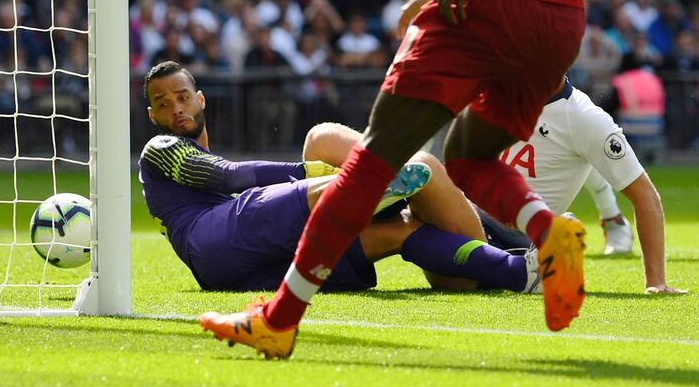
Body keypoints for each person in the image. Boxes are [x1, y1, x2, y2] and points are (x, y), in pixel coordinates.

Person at [200, 0, 615, 358]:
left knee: (371, 163)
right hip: (559, 18)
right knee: (470, 159)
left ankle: (278, 320)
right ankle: (547, 232)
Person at [139, 61, 541, 298]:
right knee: (338, 173)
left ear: (201, 98)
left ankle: (518, 271)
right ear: (152, 117)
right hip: (214, 240)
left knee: (397, 232)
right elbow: (227, 176)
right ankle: (371, 184)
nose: (176, 108)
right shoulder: (158, 148)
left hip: (249, 273)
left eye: (182, 96)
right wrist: (319, 173)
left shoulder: (194, 164)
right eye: (163, 103)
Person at [498, 77, 686, 295]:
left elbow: (645, 194)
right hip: (478, 215)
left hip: (515, 234)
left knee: (455, 262)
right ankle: (525, 271)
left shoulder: (583, 117)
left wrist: (656, 282)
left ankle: (535, 266)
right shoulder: (502, 96)